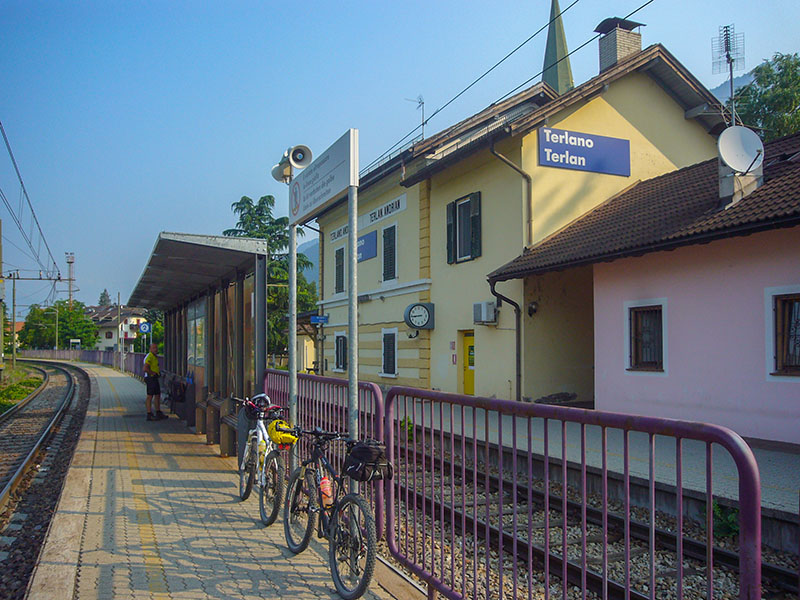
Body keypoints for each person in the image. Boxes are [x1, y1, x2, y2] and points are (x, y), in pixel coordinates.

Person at [143, 343, 167, 421]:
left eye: (156, 348)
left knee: (157, 395)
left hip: (154, 378)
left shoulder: (154, 356)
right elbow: (145, 368)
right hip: (151, 378)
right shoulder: (150, 356)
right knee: (150, 396)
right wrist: (153, 373)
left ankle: (158, 411)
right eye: (153, 348)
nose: (156, 349)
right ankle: (149, 413)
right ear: (150, 349)